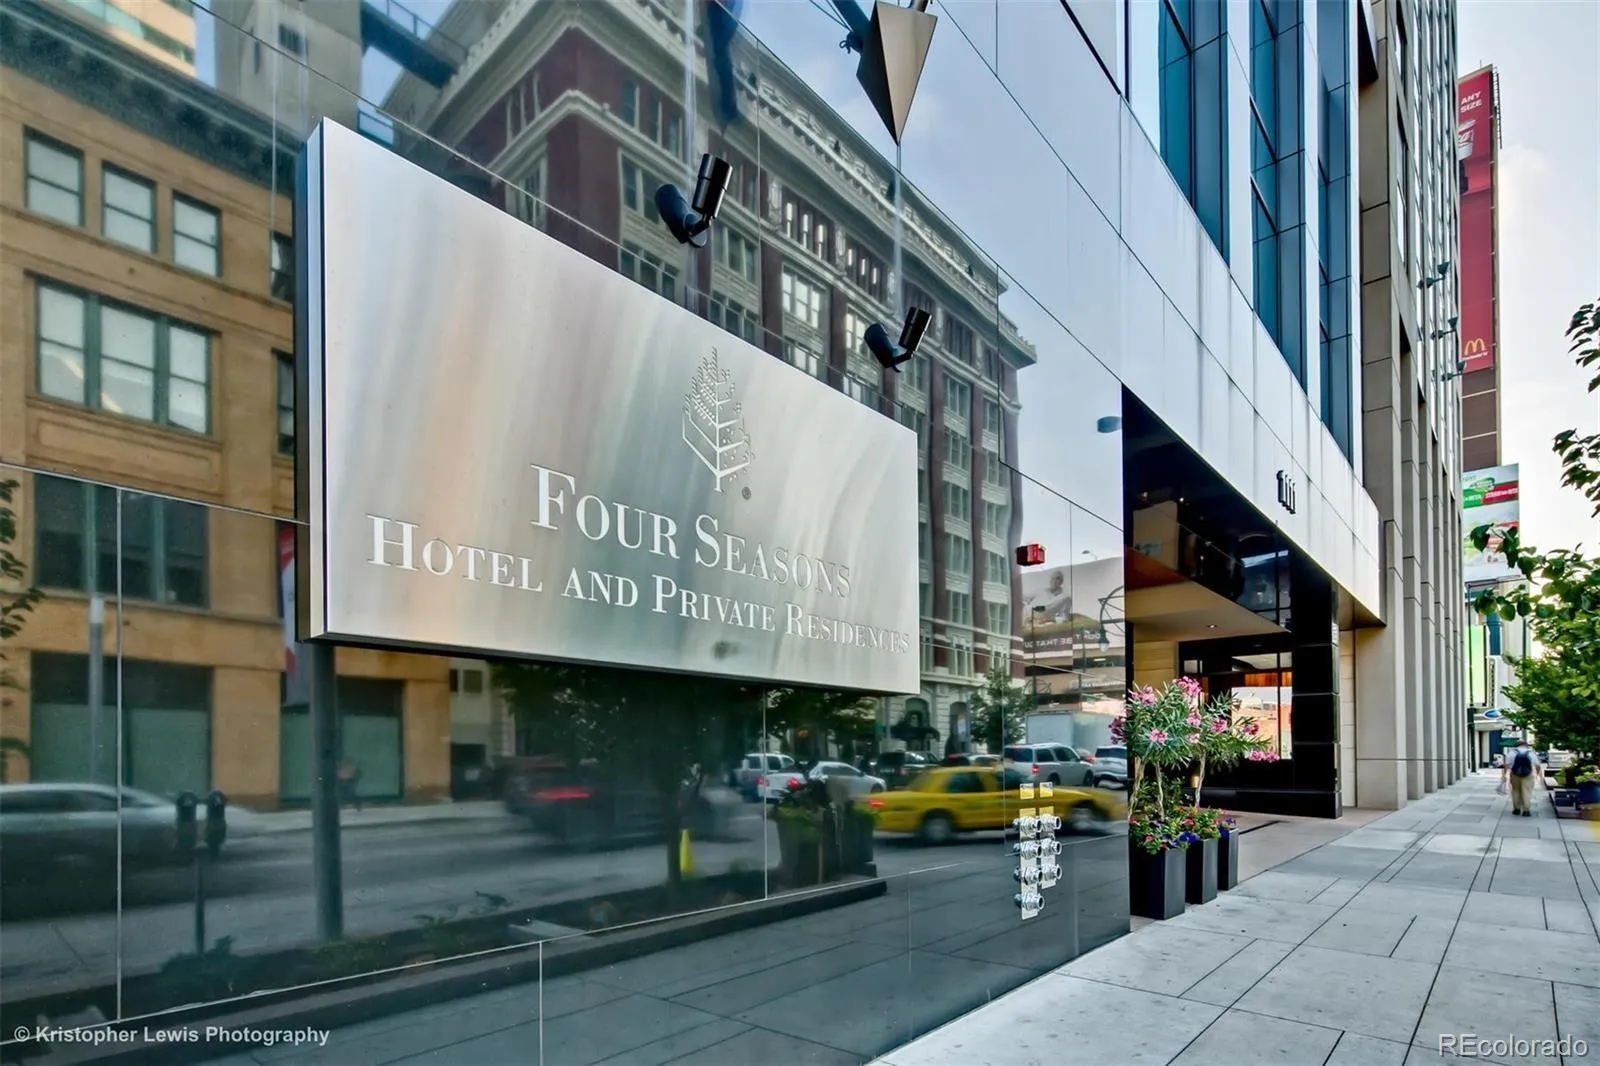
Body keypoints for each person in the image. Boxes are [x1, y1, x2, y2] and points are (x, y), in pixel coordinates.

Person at [1501, 741, 1541, 816]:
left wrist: (1505, 774)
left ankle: (1517, 809)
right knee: (1527, 791)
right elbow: (1538, 765)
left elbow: (1506, 765)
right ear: (1525, 745)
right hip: (1528, 775)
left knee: (1515, 790)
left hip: (1515, 774)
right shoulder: (1531, 753)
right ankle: (1526, 810)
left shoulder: (1512, 752)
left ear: (1517, 745)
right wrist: (1537, 774)